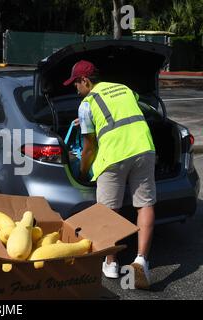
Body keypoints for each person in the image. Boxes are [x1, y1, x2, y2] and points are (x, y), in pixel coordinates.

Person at [63, 60, 156, 290]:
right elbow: (126, 111)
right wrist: (88, 121)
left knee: (107, 211)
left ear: (85, 80)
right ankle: (141, 260)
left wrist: (84, 171)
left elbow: (89, 148)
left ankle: (111, 262)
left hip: (113, 155)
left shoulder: (86, 103)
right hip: (144, 147)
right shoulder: (124, 88)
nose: (76, 89)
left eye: (76, 83)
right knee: (144, 204)